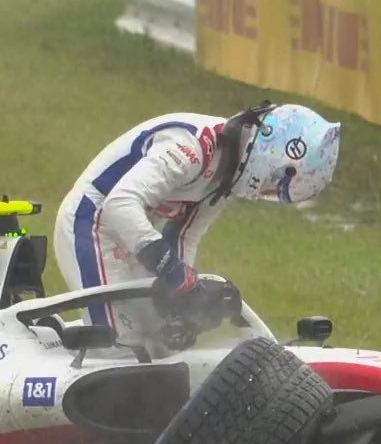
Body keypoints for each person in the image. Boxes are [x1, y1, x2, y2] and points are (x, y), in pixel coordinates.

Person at [53, 101, 341, 344]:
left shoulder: (231, 172)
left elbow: (184, 237)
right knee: (121, 344)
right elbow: (119, 205)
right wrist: (171, 269)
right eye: (273, 184)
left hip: (134, 235)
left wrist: (183, 308)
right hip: (91, 222)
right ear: (272, 157)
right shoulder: (189, 148)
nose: (265, 192)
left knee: (156, 340)